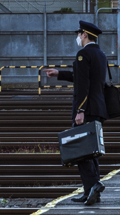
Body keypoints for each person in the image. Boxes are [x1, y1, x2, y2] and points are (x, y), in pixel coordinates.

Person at [42, 20, 108, 205]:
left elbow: (83, 85)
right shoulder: (100, 54)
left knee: (81, 150)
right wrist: (59, 74)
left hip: (86, 110)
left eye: (79, 34)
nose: (78, 37)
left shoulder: (83, 54)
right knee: (91, 151)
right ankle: (91, 192)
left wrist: (80, 110)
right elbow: (84, 77)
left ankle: (94, 185)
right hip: (98, 108)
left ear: (85, 35)